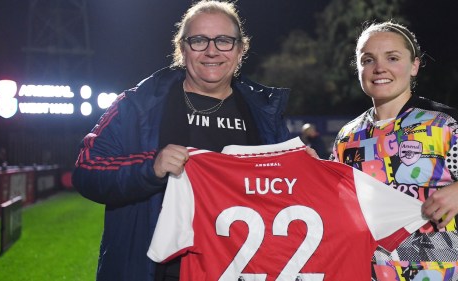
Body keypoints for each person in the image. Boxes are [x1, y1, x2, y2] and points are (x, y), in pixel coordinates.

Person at [72, 1, 293, 280]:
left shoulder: (264, 114)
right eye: (199, 40)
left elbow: (283, 195)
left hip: (238, 270)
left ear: (240, 50)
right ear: (182, 48)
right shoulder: (138, 104)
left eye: (224, 41)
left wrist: (303, 170)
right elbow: (86, 169)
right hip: (159, 272)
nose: (211, 50)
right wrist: (150, 167)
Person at [330, 21, 458, 281]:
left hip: (439, 273)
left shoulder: (446, 125)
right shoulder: (347, 137)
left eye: (392, 58)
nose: (379, 68)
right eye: (368, 60)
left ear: (414, 65)